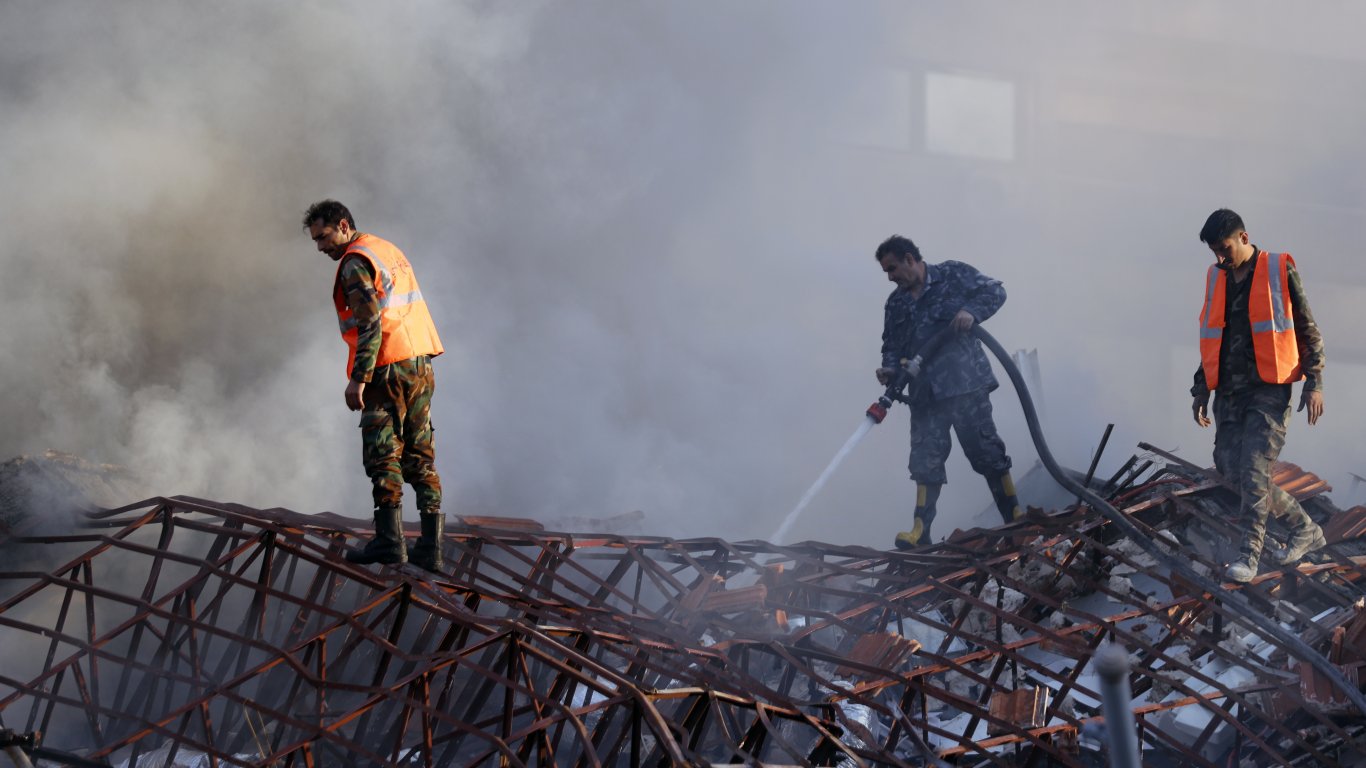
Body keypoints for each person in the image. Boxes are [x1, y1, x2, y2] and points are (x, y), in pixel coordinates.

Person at [302, 200, 446, 572]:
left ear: (343, 225)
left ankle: (389, 542)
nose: (321, 247)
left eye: (324, 236)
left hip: (386, 368)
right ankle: (431, 547)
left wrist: (358, 378)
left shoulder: (354, 261)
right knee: (420, 452)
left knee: (382, 452)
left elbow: (369, 324)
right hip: (419, 361)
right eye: (317, 240)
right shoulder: (385, 249)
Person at [1191, 209, 1327, 582]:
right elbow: (1210, 335)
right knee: (1232, 468)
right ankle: (1305, 528)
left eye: (1225, 249)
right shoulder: (1216, 278)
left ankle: (1248, 557)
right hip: (1229, 393)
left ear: (1243, 238)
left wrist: (1314, 381)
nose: (1220, 258)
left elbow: (1307, 328)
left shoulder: (1277, 270)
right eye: (1214, 252)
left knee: (1254, 468)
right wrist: (1201, 388)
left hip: (1269, 389)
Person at [874, 235, 1021, 549]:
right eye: (886, 272)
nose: (890, 277)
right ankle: (919, 531)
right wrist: (888, 369)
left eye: (893, 268)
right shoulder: (896, 303)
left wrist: (971, 311)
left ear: (910, 259)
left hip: (965, 385)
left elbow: (996, 290)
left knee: (987, 453)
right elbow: (891, 345)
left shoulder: (953, 275)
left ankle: (1014, 518)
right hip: (924, 396)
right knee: (925, 461)